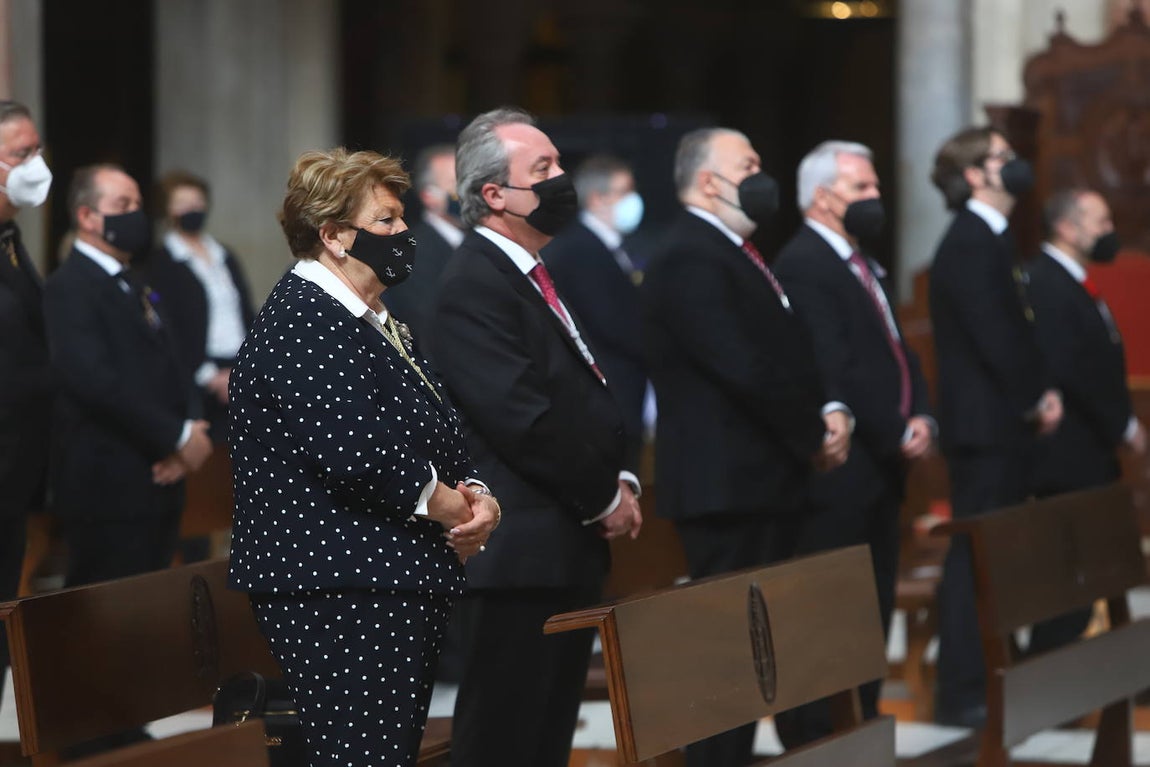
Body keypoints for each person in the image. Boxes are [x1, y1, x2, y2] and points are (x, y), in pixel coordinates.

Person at [227, 148, 498, 767]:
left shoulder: (372, 317)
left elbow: (441, 424)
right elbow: (357, 456)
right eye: (386, 220)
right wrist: (456, 509)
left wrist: (480, 494)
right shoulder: (303, 320)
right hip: (338, 588)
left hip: (385, 580)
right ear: (333, 236)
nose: (404, 232)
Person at [433, 107, 642, 767]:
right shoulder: (474, 282)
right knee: (503, 741)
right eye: (542, 168)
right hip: (518, 552)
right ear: (494, 194)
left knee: (545, 739)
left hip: (558, 545)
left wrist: (618, 475)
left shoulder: (527, 271)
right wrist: (602, 497)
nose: (560, 179)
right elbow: (523, 420)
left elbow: (580, 393)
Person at [640, 127, 849, 765]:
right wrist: (811, 433)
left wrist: (823, 411)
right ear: (709, 181)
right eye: (748, 164)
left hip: (760, 480)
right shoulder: (688, 254)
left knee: (767, 648)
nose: (762, 175)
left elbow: (784, 351)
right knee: (730, 657)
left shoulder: (732, 250)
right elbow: (741, 365)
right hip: (727, 486)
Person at [773, 140, 935, 738]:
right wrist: (895, 428)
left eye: (874, 186)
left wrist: (923, 414)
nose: (875, 196)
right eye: (861, 187)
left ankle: (860, 726)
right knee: (829, 614)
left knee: (870, 610)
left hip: (881, 467)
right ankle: (818, 734)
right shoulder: (804, 262)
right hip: (843, 472)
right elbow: (834, 365)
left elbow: (898, 351)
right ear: (823, 197)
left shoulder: (860, 262)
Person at [927, 126, 1062, 728]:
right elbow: (995, 336)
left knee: (994, 562)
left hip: (999, 427)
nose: (1015, 165)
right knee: (976, 561)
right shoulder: (969, 240)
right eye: (1002, 157)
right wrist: (1035, 398)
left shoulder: (992, 237)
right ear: (975, 174)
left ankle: (990, 680)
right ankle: (962, 691)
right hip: (984, 431)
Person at [45, 164, 213, 590]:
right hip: (110, 483)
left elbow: (173, 360)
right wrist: (177, 436)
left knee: (158, 603)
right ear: (87, 217)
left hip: (161, 475)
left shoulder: (134, 280)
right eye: (123, 205)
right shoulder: (69, 286)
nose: (136, 214)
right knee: (112, 609)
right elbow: (95, 382)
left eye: (138, 204)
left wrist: (190, 428)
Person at [1025, 188, 1146, 654]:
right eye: (1101, 222)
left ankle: (1089, 667)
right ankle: (1050, 668)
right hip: (1068, 455)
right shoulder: (1046, 281)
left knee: (1091, 572)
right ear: (1067, 227)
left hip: (1090, 451)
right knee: (1067, 580)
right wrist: (1123, 425)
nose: (1109, 231)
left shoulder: (1073, 279)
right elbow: (1073, 368)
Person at [543, 154, 648, 469]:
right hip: (606, 396)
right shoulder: (579, 250)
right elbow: (612, 324)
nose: (633, 199)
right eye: (624, 191)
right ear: (596, 198)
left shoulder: (613, 246)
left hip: (623, 393)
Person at [0, 100, 53, 693]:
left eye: (37, 150)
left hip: (15, 471)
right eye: (21, 153)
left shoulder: (11, 237)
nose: (36, 163)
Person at [146, 170, 256, 443]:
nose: (193, 209)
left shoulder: (224, 255)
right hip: (198, 376)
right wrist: (211, 377)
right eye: (183, 203)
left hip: (239, 366)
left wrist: (246, 368)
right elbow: (169, 329)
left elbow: (245, 312)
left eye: (197, 202)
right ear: (168, 210)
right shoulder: (162, 263)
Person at [382, 144, 464, 346]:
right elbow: (429, 325)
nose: (469, 192)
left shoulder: (477, 241)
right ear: (430, 196)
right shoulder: (412, 252)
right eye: (457, 183)